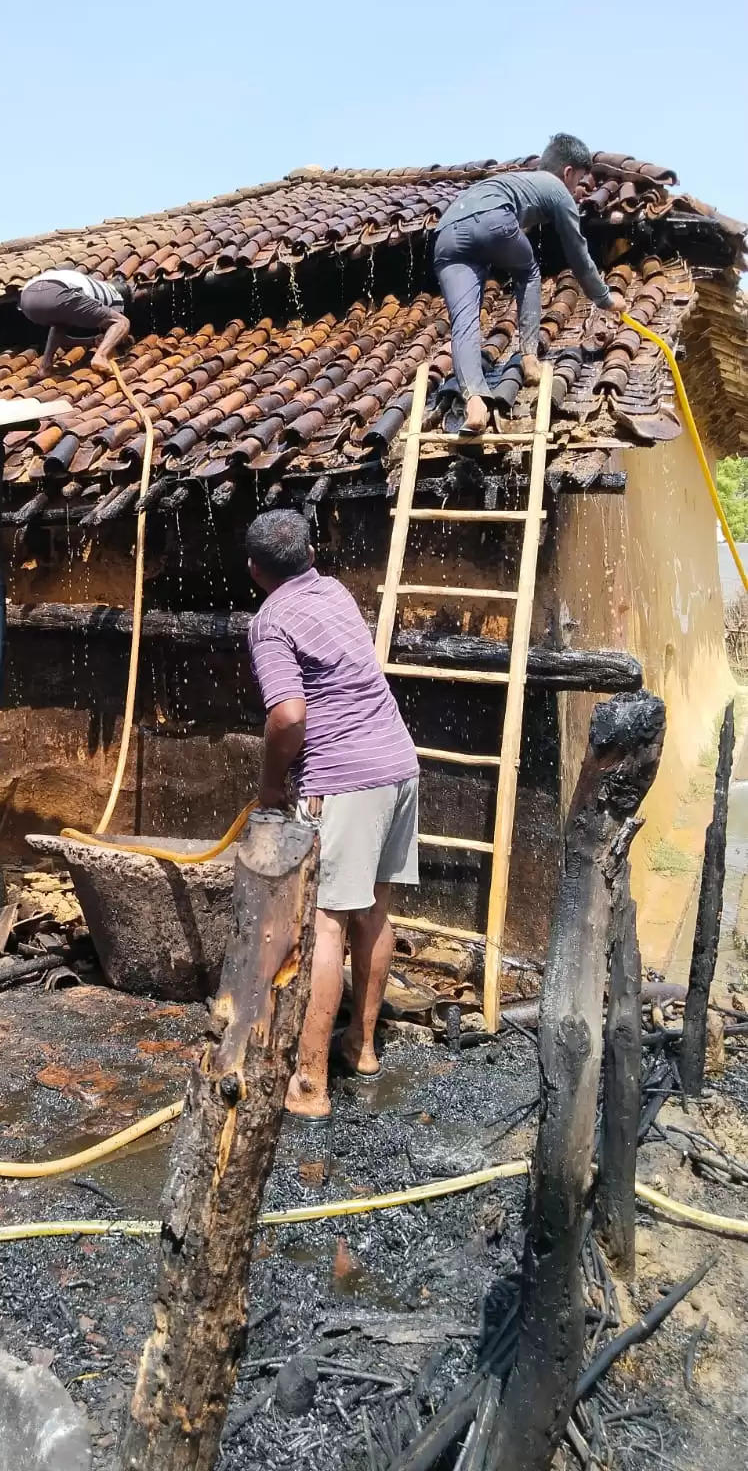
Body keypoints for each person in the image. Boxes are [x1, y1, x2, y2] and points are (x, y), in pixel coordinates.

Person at [245, 509, 420, 1120]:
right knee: (374, 909)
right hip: (398, 761)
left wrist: (271, 787)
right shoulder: (334, 590)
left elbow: (289, 716)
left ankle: (311, 1084)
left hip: (345, 779)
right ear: (310, 554)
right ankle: (362, 1048)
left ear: (254, 570)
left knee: (325, 924)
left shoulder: (271, 621)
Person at [433, 133, 628, 435]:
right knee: (528, 272)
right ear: (568, 173)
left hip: (446, 234)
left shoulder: (516, 182)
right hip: (492, 220)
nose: (578, 191)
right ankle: (529, 358)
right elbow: (577, 253)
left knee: (465, 321)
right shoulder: (557, 189)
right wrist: (605, 298)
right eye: (579, 182)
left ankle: (474, 402)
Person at [18, 268, 132, 380]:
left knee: (59, 325)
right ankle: (100, 357)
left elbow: (61, 339)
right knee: (122, 322)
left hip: (27, 300)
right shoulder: (117, 298)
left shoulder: (89, 285)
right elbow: (118, 329)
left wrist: (92, 341)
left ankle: (45, 367)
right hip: (57, 293)